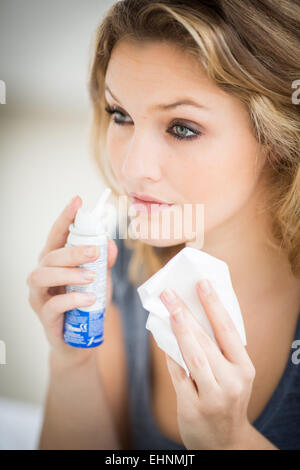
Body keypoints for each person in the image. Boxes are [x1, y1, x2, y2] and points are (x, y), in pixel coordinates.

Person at [26, 0, 300, 450]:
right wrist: (71, 365)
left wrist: (230, 441)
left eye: (182, 128)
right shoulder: (118, 260)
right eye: (121, 115)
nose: (133, 169)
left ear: (276, 136)